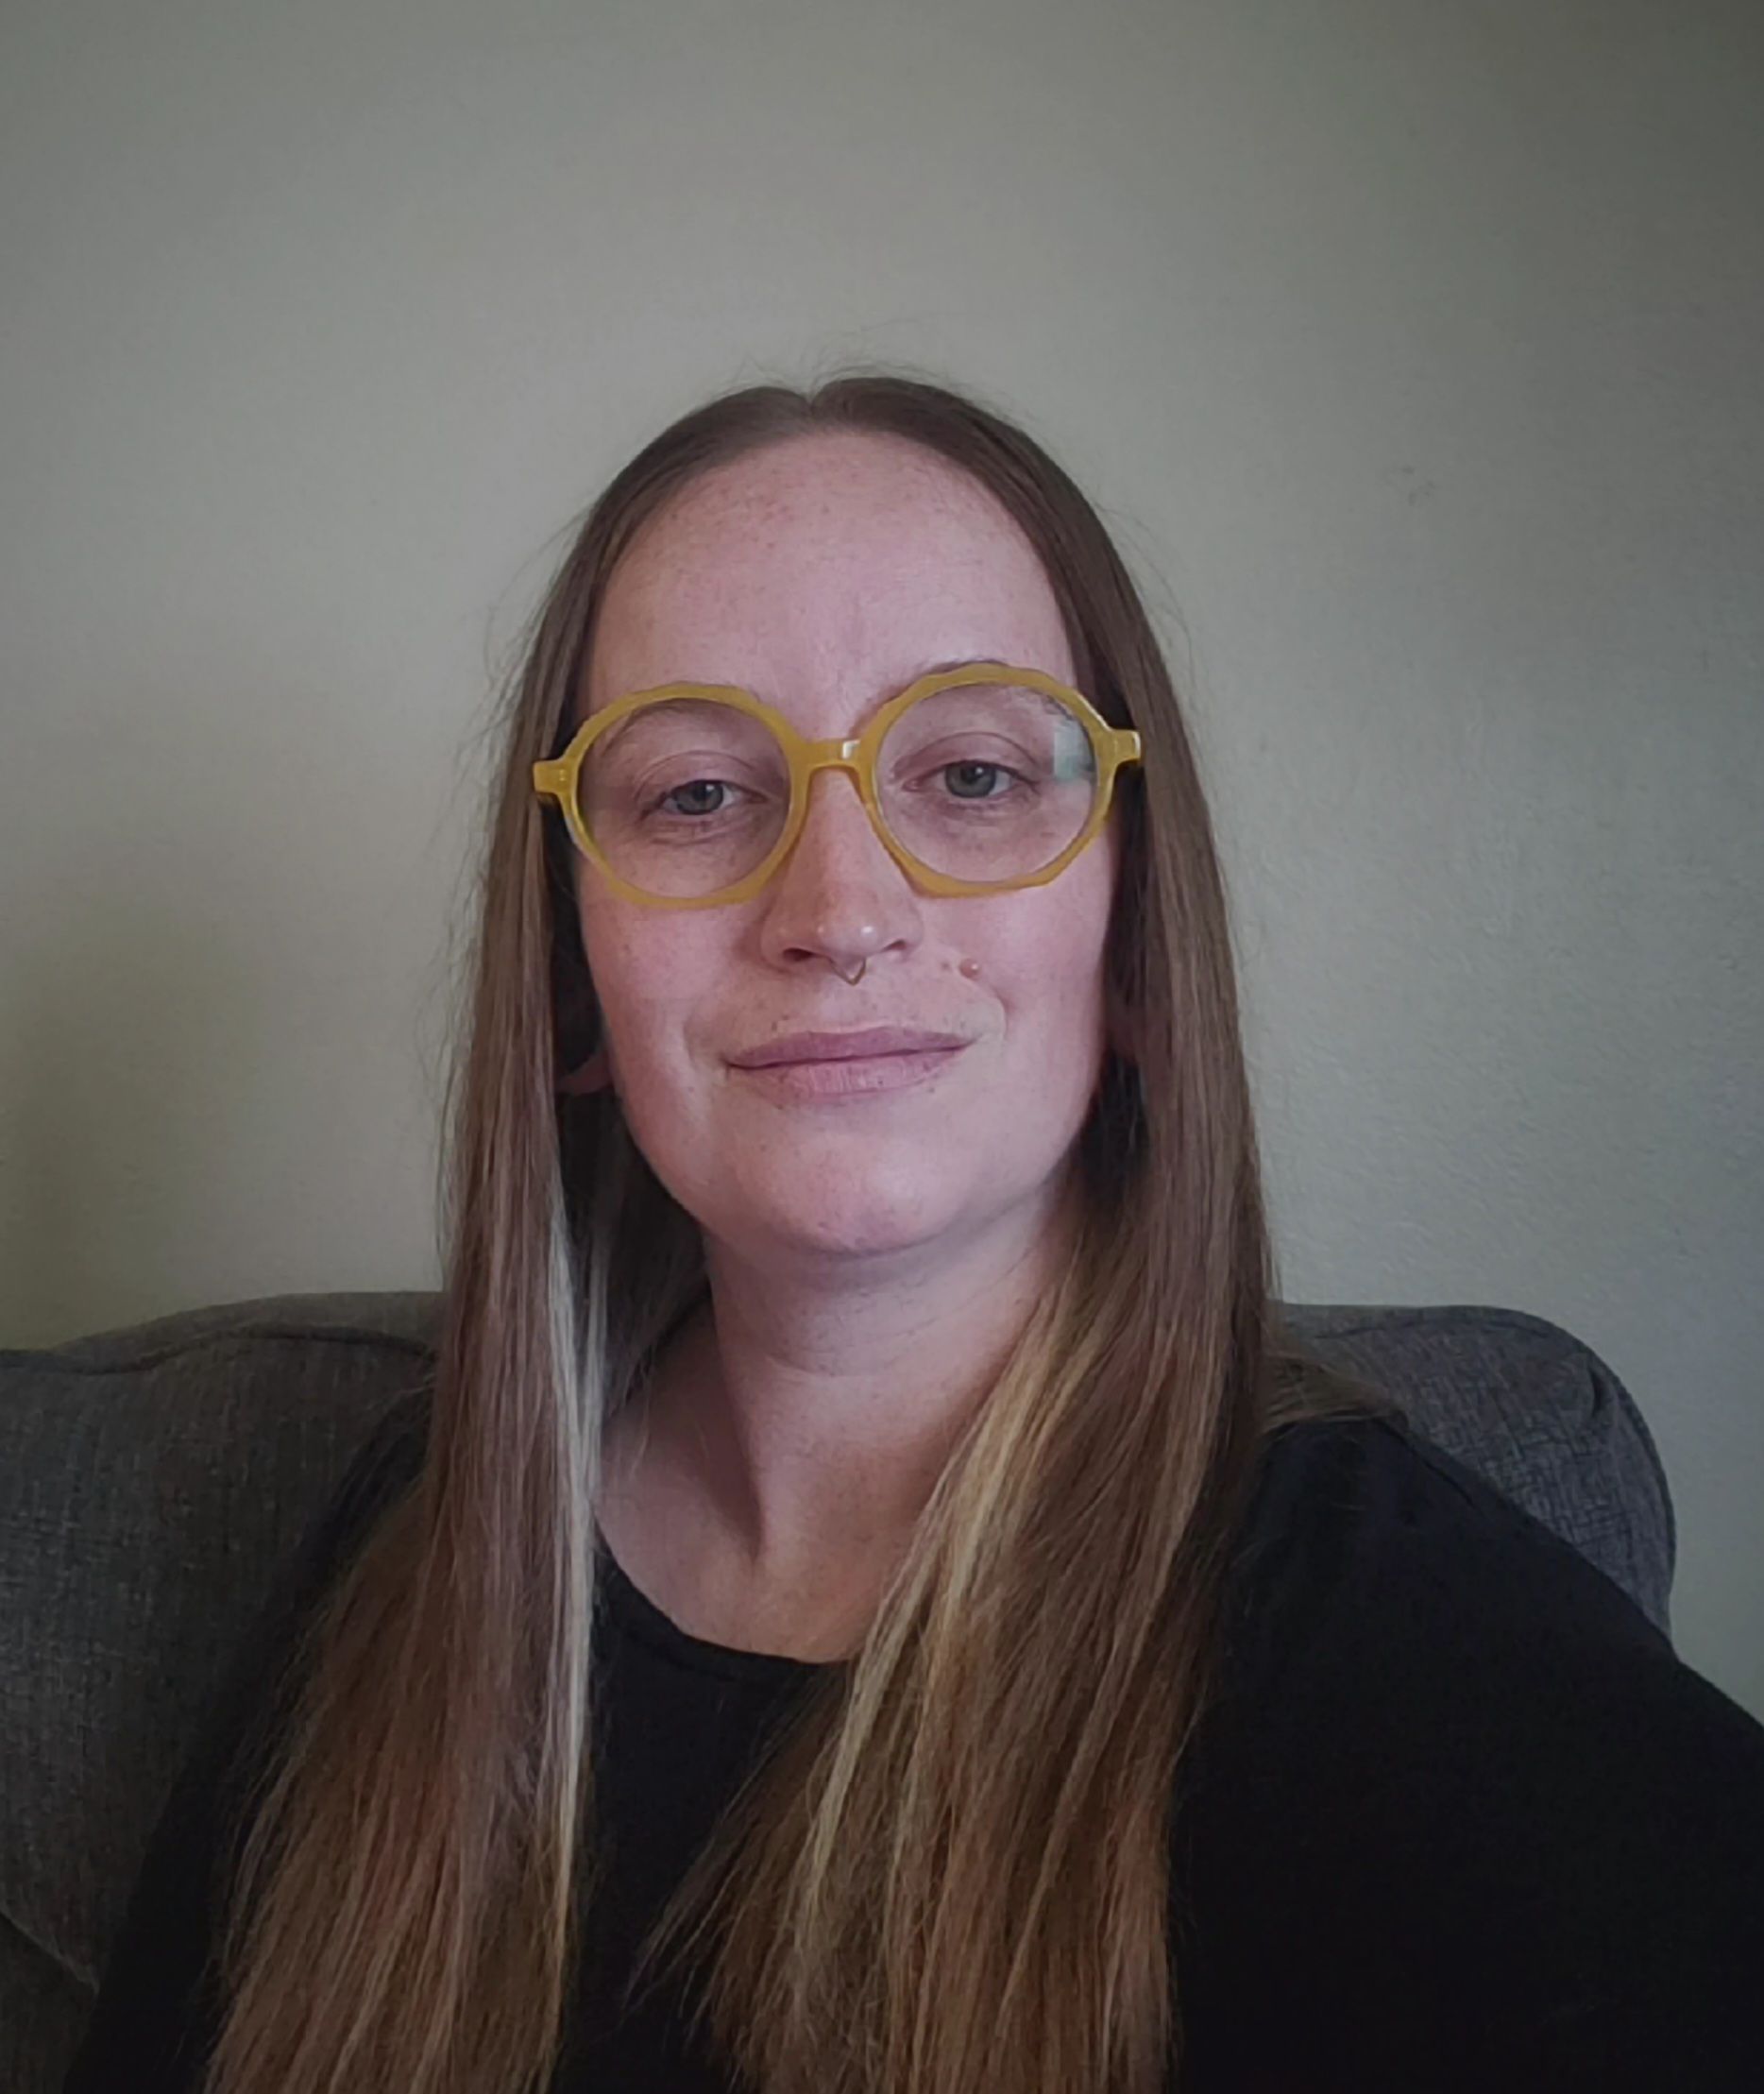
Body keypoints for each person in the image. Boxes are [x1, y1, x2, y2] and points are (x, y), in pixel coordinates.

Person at [62, 371, 1764, 2094]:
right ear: (574, 976)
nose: (842, 907)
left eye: (968, 770)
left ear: (1134, 936)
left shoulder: (1413, 1655)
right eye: (700, 797)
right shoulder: (419, 1529)